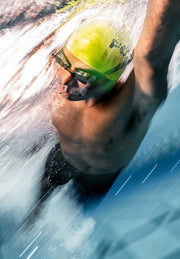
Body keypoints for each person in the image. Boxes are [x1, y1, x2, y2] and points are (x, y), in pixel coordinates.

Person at [27, 0, 180, 221]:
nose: (66, 82)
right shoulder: (60, 77)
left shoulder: (132, 105)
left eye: (83, 77)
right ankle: (34, 216)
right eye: (65, 65)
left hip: (99, 175)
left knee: (80, 207)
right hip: (62, 157)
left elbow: (151, 59)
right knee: (42, 194)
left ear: (109, 79)